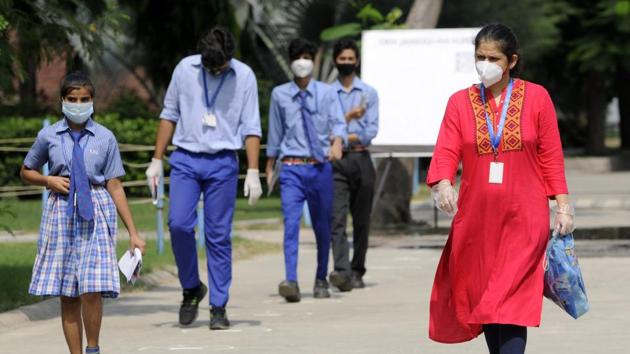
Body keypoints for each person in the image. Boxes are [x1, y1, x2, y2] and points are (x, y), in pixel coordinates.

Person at [426, 24, 575, 354]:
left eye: (493, 58)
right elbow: (447, 149)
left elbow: (551, 155)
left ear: (511, 61)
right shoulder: (459, 102)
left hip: (525, 219)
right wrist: (444, 183)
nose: (485, 64)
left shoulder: (537, 97)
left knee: (510, 302)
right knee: (488, 302)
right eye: (479, 57)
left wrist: (562, 206)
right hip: (476, 220)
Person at [145, 26, 262, 330]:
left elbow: (251, 126)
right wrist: (156, 159)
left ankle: (218, 307)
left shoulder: (244, 76)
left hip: (223, 161)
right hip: (185, 157)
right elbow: (169, 113)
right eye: (211, 66)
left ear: (230, 59)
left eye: (220, 66)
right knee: (179, 224)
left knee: (218, 235)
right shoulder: (185, 69)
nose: (215, 71)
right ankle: (191, 288)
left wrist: (252, 171)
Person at [21, 72, 146, 354]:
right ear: (62, 101)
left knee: (91, 289)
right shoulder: (48, 135)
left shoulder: (105, 138)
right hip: (60, 213)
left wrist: (134, 233)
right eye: (72, 99)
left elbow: (115, 185)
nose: (79, 104)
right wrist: (48, 180)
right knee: (68, 293)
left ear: (93, 101)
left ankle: (93, 349)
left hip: (96, 212)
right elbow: (26, 170)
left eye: (85, 99)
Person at [265, 38, 346, 302]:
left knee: (322, 226)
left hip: (320, 167)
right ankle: (291, 280)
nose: (302, 62)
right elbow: (275, 132)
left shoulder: (327, 92)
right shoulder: (280, 94)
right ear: (291, 62)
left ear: (314, 61)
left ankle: (321, 277)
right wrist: (268, 165)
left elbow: (338, 122)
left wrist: (337, 141)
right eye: (297, 57)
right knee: (290, 224)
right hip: (291, 168)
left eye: (306, 56)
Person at [328, 38, 379, 291]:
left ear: (356, 61)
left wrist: (341, 135)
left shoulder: (368, 92)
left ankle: (357, 269)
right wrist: (348, 118)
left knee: (361, 220)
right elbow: (324, 130)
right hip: (337, 161)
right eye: (342, 59)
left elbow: (370, 131)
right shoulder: (327, 93)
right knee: (336, 218)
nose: (346, 63)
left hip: (361, 157)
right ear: (335, 61)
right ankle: (341, 270)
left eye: (350, 59)